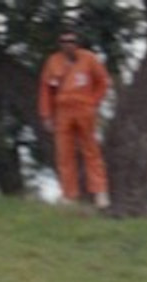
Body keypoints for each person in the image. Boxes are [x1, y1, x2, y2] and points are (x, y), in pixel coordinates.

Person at [38, 28, 110, 207]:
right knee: (64, 154)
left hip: (84, 108)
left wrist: (93, 102)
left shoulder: (89, 59)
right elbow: (46, 90)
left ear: (77, 44)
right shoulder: (53, 62)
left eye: (71, 41)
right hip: (62, 111)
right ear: (60, 44)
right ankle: (69, 194)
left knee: (91, 151)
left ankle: (99, 191)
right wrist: (46, 115)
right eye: (64, 41)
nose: (68, 45)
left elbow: (103, 81)